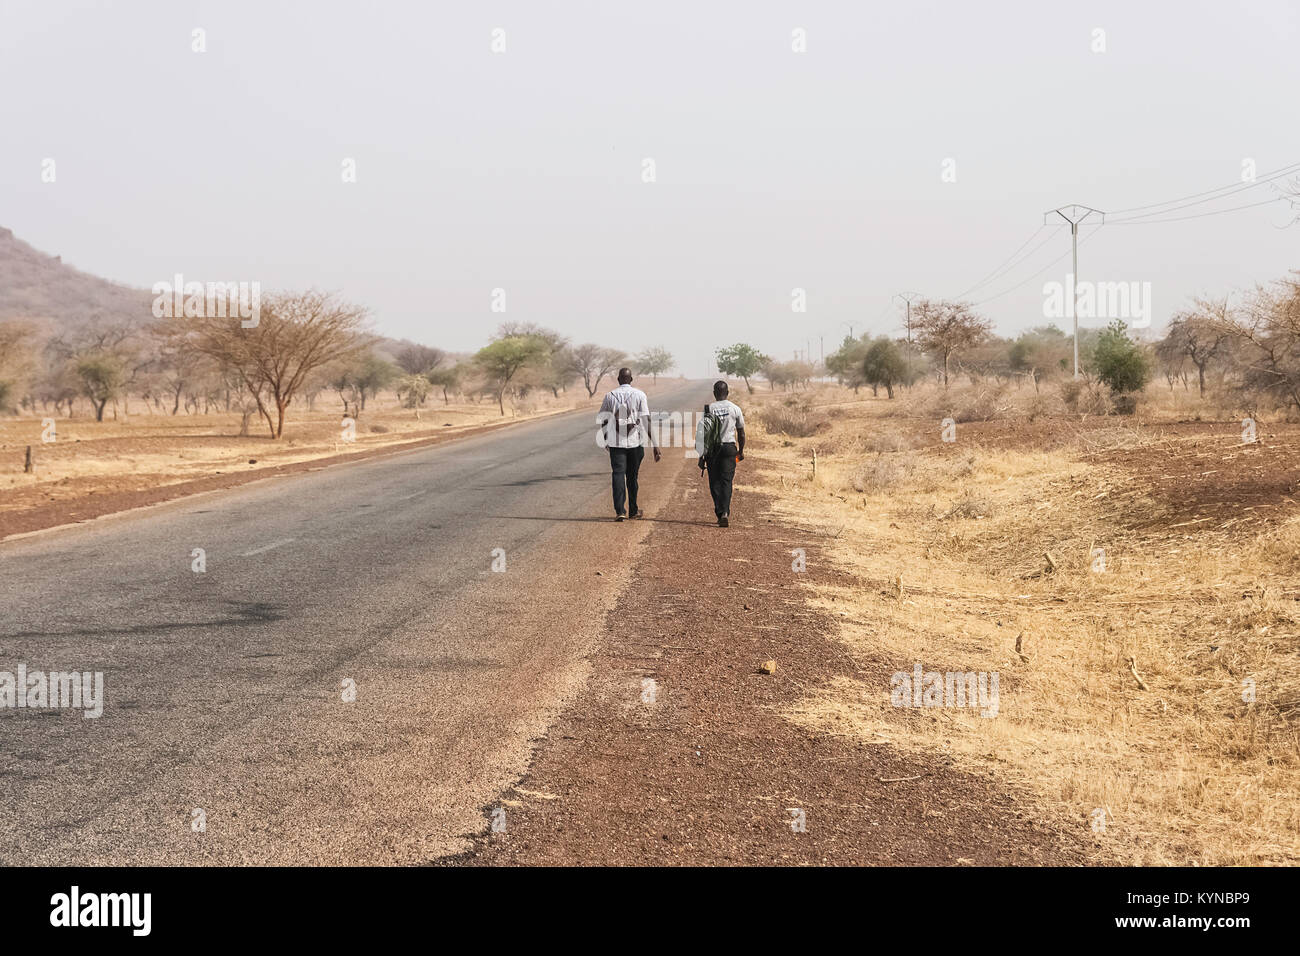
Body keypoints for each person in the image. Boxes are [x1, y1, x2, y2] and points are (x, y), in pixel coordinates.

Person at [598, 368, 661, 521]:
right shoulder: (639, 395)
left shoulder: (609, 396)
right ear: (631, 379)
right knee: (632, 477)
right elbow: (646, 420)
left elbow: (604, 419)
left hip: (616, 443)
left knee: (618, 475)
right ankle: (633, 510)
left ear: (619, 379)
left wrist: (606, 438)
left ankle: (620, 511)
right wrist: (655, 445)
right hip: (635, 442)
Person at [695, 380, 745, 527]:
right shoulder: (735, 408)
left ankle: (719, 510)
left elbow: (702, 434)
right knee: (727, 481)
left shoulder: (708, 409)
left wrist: (701, 455)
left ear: (714, 393)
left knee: (714, 481)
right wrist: (740, 451)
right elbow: (741, 433)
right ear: (727, 393)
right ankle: (725, 512)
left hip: (713, 450)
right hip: (729, 448)